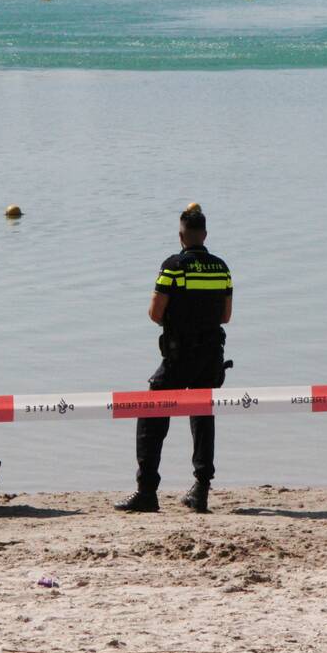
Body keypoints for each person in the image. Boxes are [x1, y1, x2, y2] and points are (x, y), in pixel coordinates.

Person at [114, 205, 233, 514]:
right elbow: (226, 316)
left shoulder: (173, 266)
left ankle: (147, 491)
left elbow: (155, 313)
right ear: (205, 235)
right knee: (203, 417)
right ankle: (201, 489)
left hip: (179, 355)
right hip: (210, 357)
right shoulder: (221, 268)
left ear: (181, 236)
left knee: (151, 414)